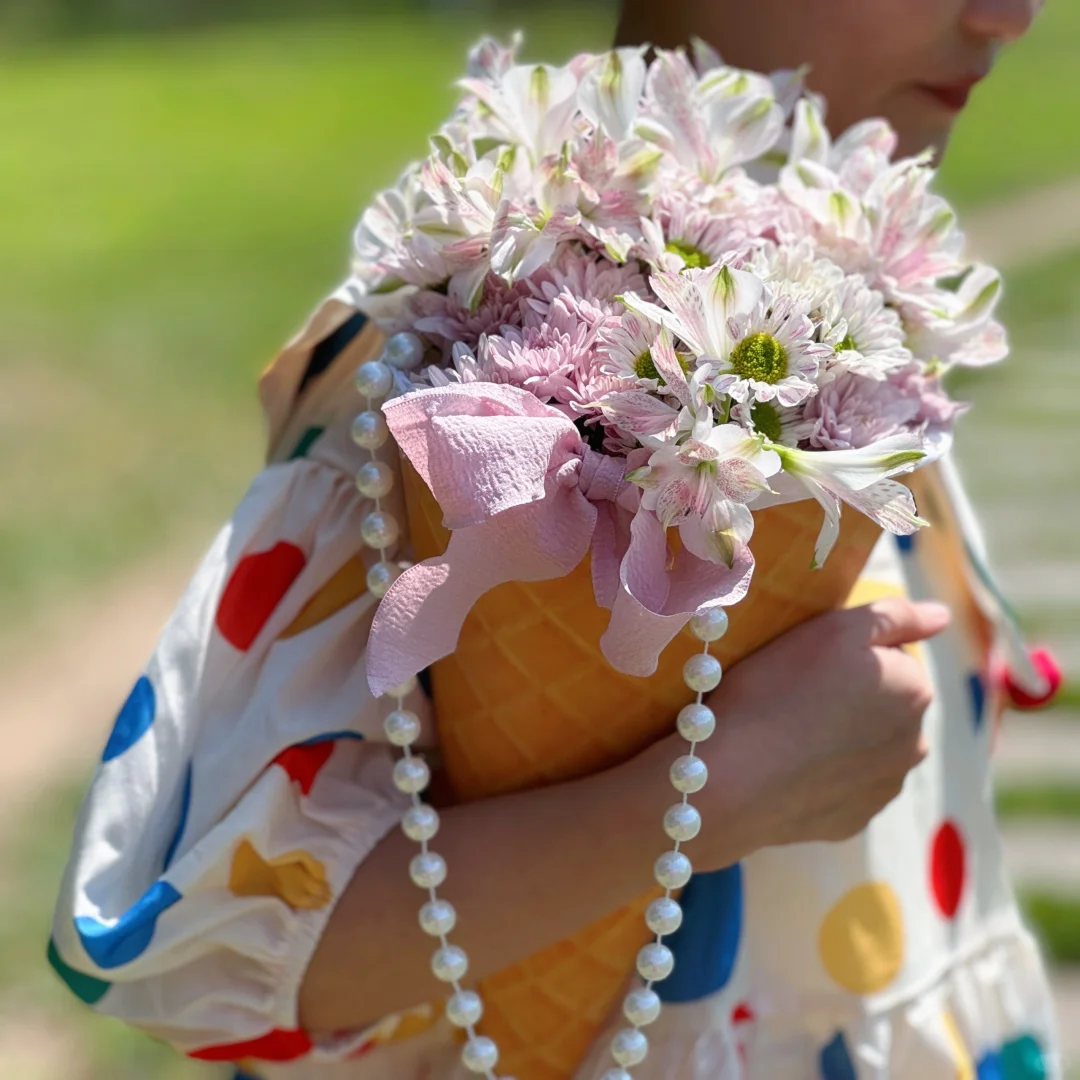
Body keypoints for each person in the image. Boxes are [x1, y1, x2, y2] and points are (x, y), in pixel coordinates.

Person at [50, 0, 1058, 1077]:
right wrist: (714, 796)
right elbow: (187, 954)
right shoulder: (457, 346)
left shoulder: (867, 328)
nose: (1013, 13)